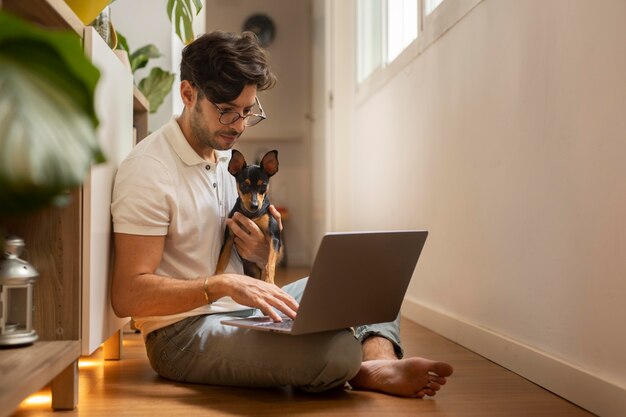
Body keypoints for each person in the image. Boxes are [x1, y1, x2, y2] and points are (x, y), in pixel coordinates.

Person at [111, 30, 453, 398]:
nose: (239, 126)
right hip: (182, 333)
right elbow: (128, 295)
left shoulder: (227, 159)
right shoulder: (149, 170)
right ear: (188, 94)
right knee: (336, 352)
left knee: (369, 281)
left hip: (244, 306)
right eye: (226, 111)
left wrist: (260, 254)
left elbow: (255, 261)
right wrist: (221, 285)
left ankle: (378, 363)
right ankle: (357, 362)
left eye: (247, 112)